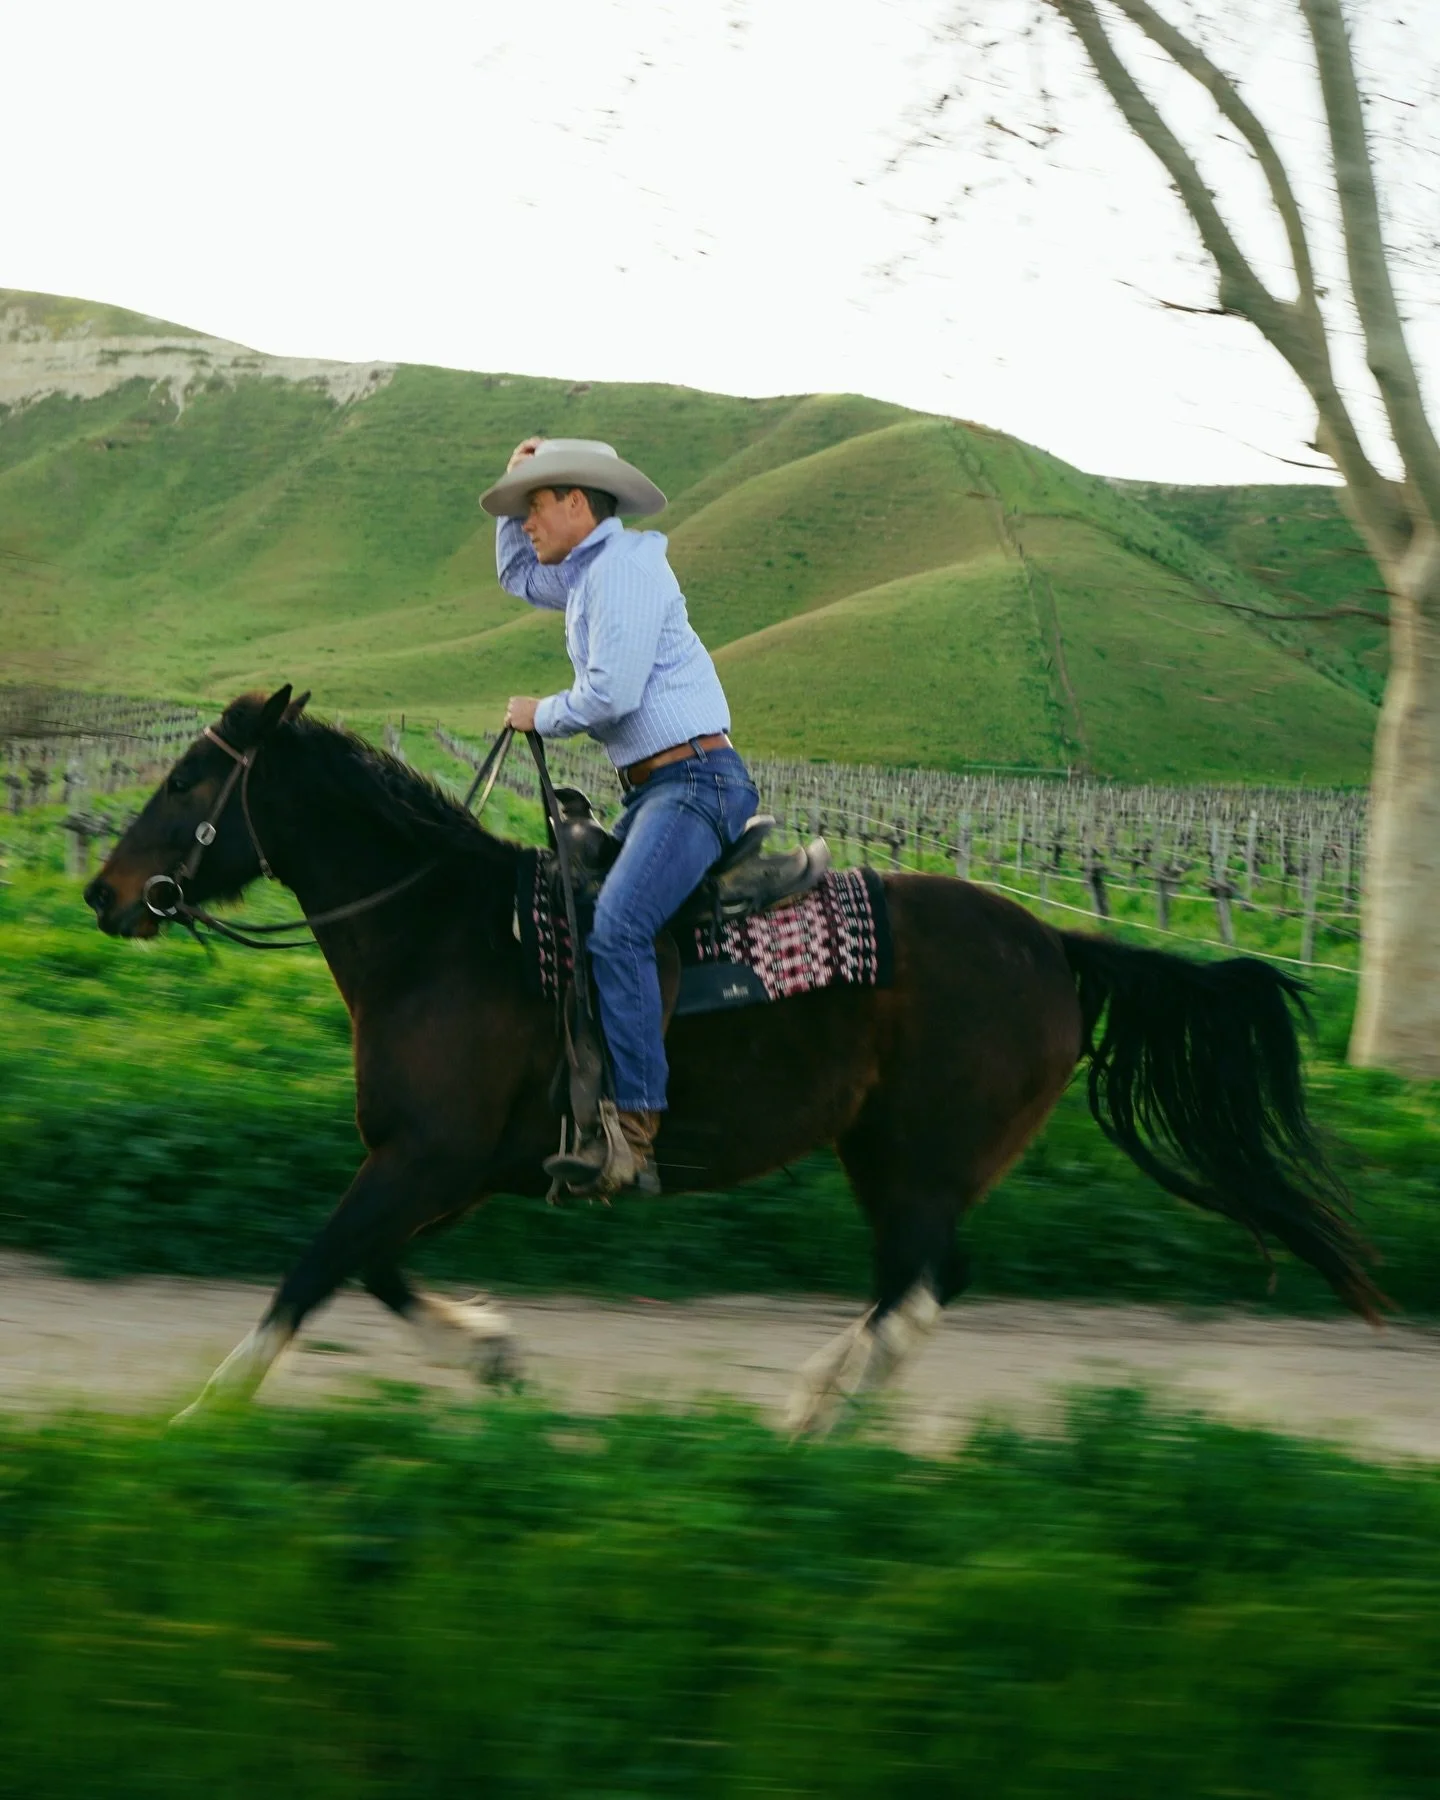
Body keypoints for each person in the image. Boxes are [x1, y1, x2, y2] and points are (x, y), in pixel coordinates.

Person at [480, 436, 760, 1194]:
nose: (526, 521)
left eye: (536, 505)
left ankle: (633, 1130)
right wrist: (514, 482)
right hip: (656, 787)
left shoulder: (626, 571)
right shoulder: (585, 575)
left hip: (694, 780)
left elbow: (612, 693)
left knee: (622, 927)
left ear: (579, 502)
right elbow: (514, 573)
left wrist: (539, 713)